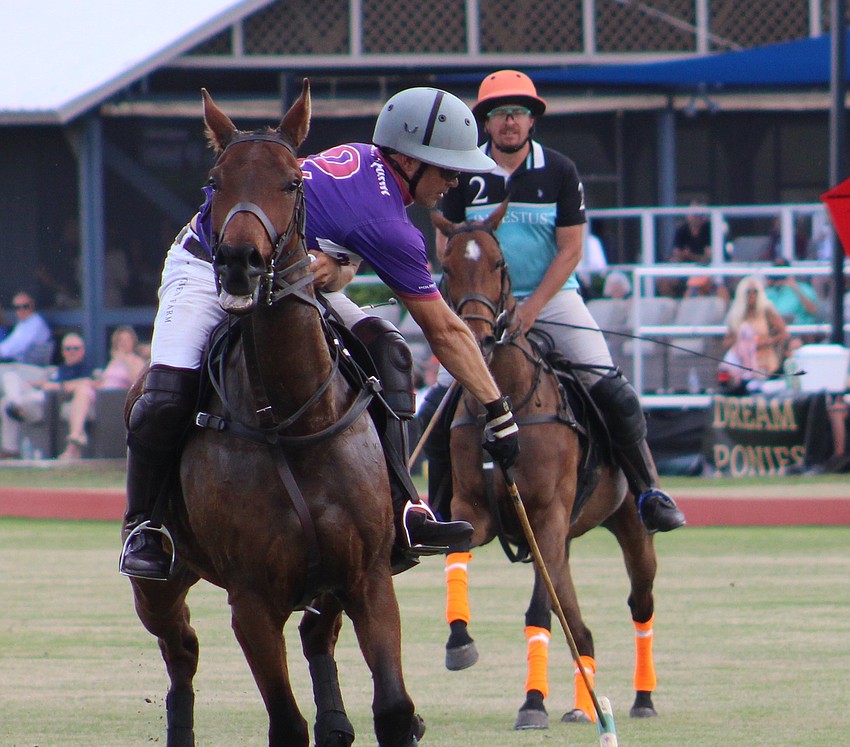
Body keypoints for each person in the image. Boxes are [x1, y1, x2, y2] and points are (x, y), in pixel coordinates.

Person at [119, 86, 521, 581]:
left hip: (289, 273)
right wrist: (499, 413)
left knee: (390, 351)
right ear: (409, 160)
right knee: (165, 394)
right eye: (447, 169)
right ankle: (143, 525)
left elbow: (329, 244)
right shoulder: (390, 227)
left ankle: (403, 504)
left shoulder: (365, 158)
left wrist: (338, 267)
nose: (454, 181)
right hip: (208, 263)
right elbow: (445, 330)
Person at [434, 69, 684, 535]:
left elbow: (572, 249)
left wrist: (531, 307)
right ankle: (433, 506)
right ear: (485, 123)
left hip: (552, 300)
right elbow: (445, 246)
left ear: (531, 122)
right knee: (438, 399)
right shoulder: (462, 175)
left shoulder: (560, 171)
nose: (509, 122)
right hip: (480, 308)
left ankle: (649, 491)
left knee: (612, 389)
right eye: (499, 114)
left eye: (519, 113)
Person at [57, 325, 148, 461]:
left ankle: (73, 447)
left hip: (116, 400)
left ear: (133, 341)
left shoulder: (136, 361)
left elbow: (137, 383)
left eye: (127, 339)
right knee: (82, 389)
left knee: (82, 397)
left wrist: (126, 360)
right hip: (102, 396)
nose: (123, 343)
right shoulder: (113, 362)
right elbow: (104, 381)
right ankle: (76, 435)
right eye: (120, 340)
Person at [0, 331, 93, 459]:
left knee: (8, 403)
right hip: (37, 395)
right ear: (63, 351)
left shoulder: (84, 368)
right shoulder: (60, 369)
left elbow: (87, 383)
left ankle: (15, 404)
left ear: (82, 351)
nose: (71, 351)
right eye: (68, 348)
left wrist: (57, 386)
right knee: (9, 380)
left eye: (75, 348)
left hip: (47, 401)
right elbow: (47, 382)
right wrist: (31, 384)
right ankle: (10, 446)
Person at [720, 276, 791, 392]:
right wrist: (742, 342)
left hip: (765, 359)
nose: (752, 295)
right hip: (742, 360)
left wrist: (767, 342)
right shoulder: (736, 316)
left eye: (755, 292)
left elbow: (784, 334)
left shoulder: (766, 310)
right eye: (748, 292)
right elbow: (726, 341)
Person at [0, 292, 54, 377]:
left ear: (32, 306)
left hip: (33, 369)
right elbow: (10, 342)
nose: (21, 310)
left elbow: (18, 347)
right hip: (21, 366)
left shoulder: (35, 323)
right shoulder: (23, 323)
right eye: (17, 307)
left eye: (25, 306)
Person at [764, 258, 820, 326]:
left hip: (798, 330)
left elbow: (813, 311)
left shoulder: (803, 289)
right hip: (775, 330)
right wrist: (768, 285)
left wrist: (795, 288)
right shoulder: (769, 292)